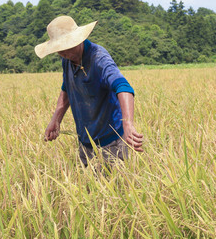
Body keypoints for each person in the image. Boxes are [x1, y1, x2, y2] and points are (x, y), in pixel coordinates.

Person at [35, 15, 143, 167]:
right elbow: (67, 86)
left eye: (68, 46)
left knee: (113, 189)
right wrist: (56, 120)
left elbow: (123, 87)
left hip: (110, 142)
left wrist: (128, 124)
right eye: (60, 49)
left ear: (78, 39)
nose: (64, 52)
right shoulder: (67, 59)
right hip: (86, 141)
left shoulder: (99, 58)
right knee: (88, 188)